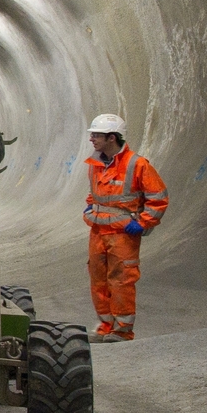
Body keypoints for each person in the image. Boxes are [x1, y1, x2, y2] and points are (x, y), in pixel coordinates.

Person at [83, 113, 169, 343]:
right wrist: (89, 208)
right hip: (98, 232)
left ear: (112, 138)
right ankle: (106, 325)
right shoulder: (95, 164)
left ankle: (122, 330)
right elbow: (94, 193)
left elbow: (158, 197)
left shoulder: (137, 164)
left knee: (121, 281)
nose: (92, 139)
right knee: (98, 280)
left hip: (122, 236)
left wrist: (142, 223)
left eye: (96, 135)